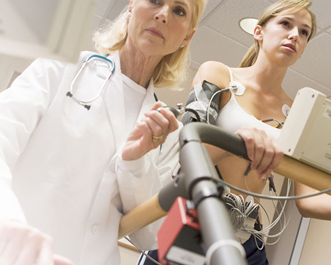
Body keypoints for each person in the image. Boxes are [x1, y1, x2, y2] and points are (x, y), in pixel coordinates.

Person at [139, 0, 331, 264]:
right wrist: (238, 140)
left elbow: (308, 201)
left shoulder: (298, 114)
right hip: (194, 219)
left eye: (304, 32)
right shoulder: (218, 75)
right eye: (286, 24)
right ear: (259, 32)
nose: (294, 35)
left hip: (248, 241)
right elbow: (188, 153)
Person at [0, 0, 207, 264]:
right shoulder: (63, 69)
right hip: (20, 253)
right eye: (155, 0)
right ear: (131, 6)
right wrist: (8, 222)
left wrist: (134, 163)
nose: (164, 14)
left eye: (179, 10)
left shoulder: (167, 130)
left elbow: (150, 235)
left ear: (187, 36)